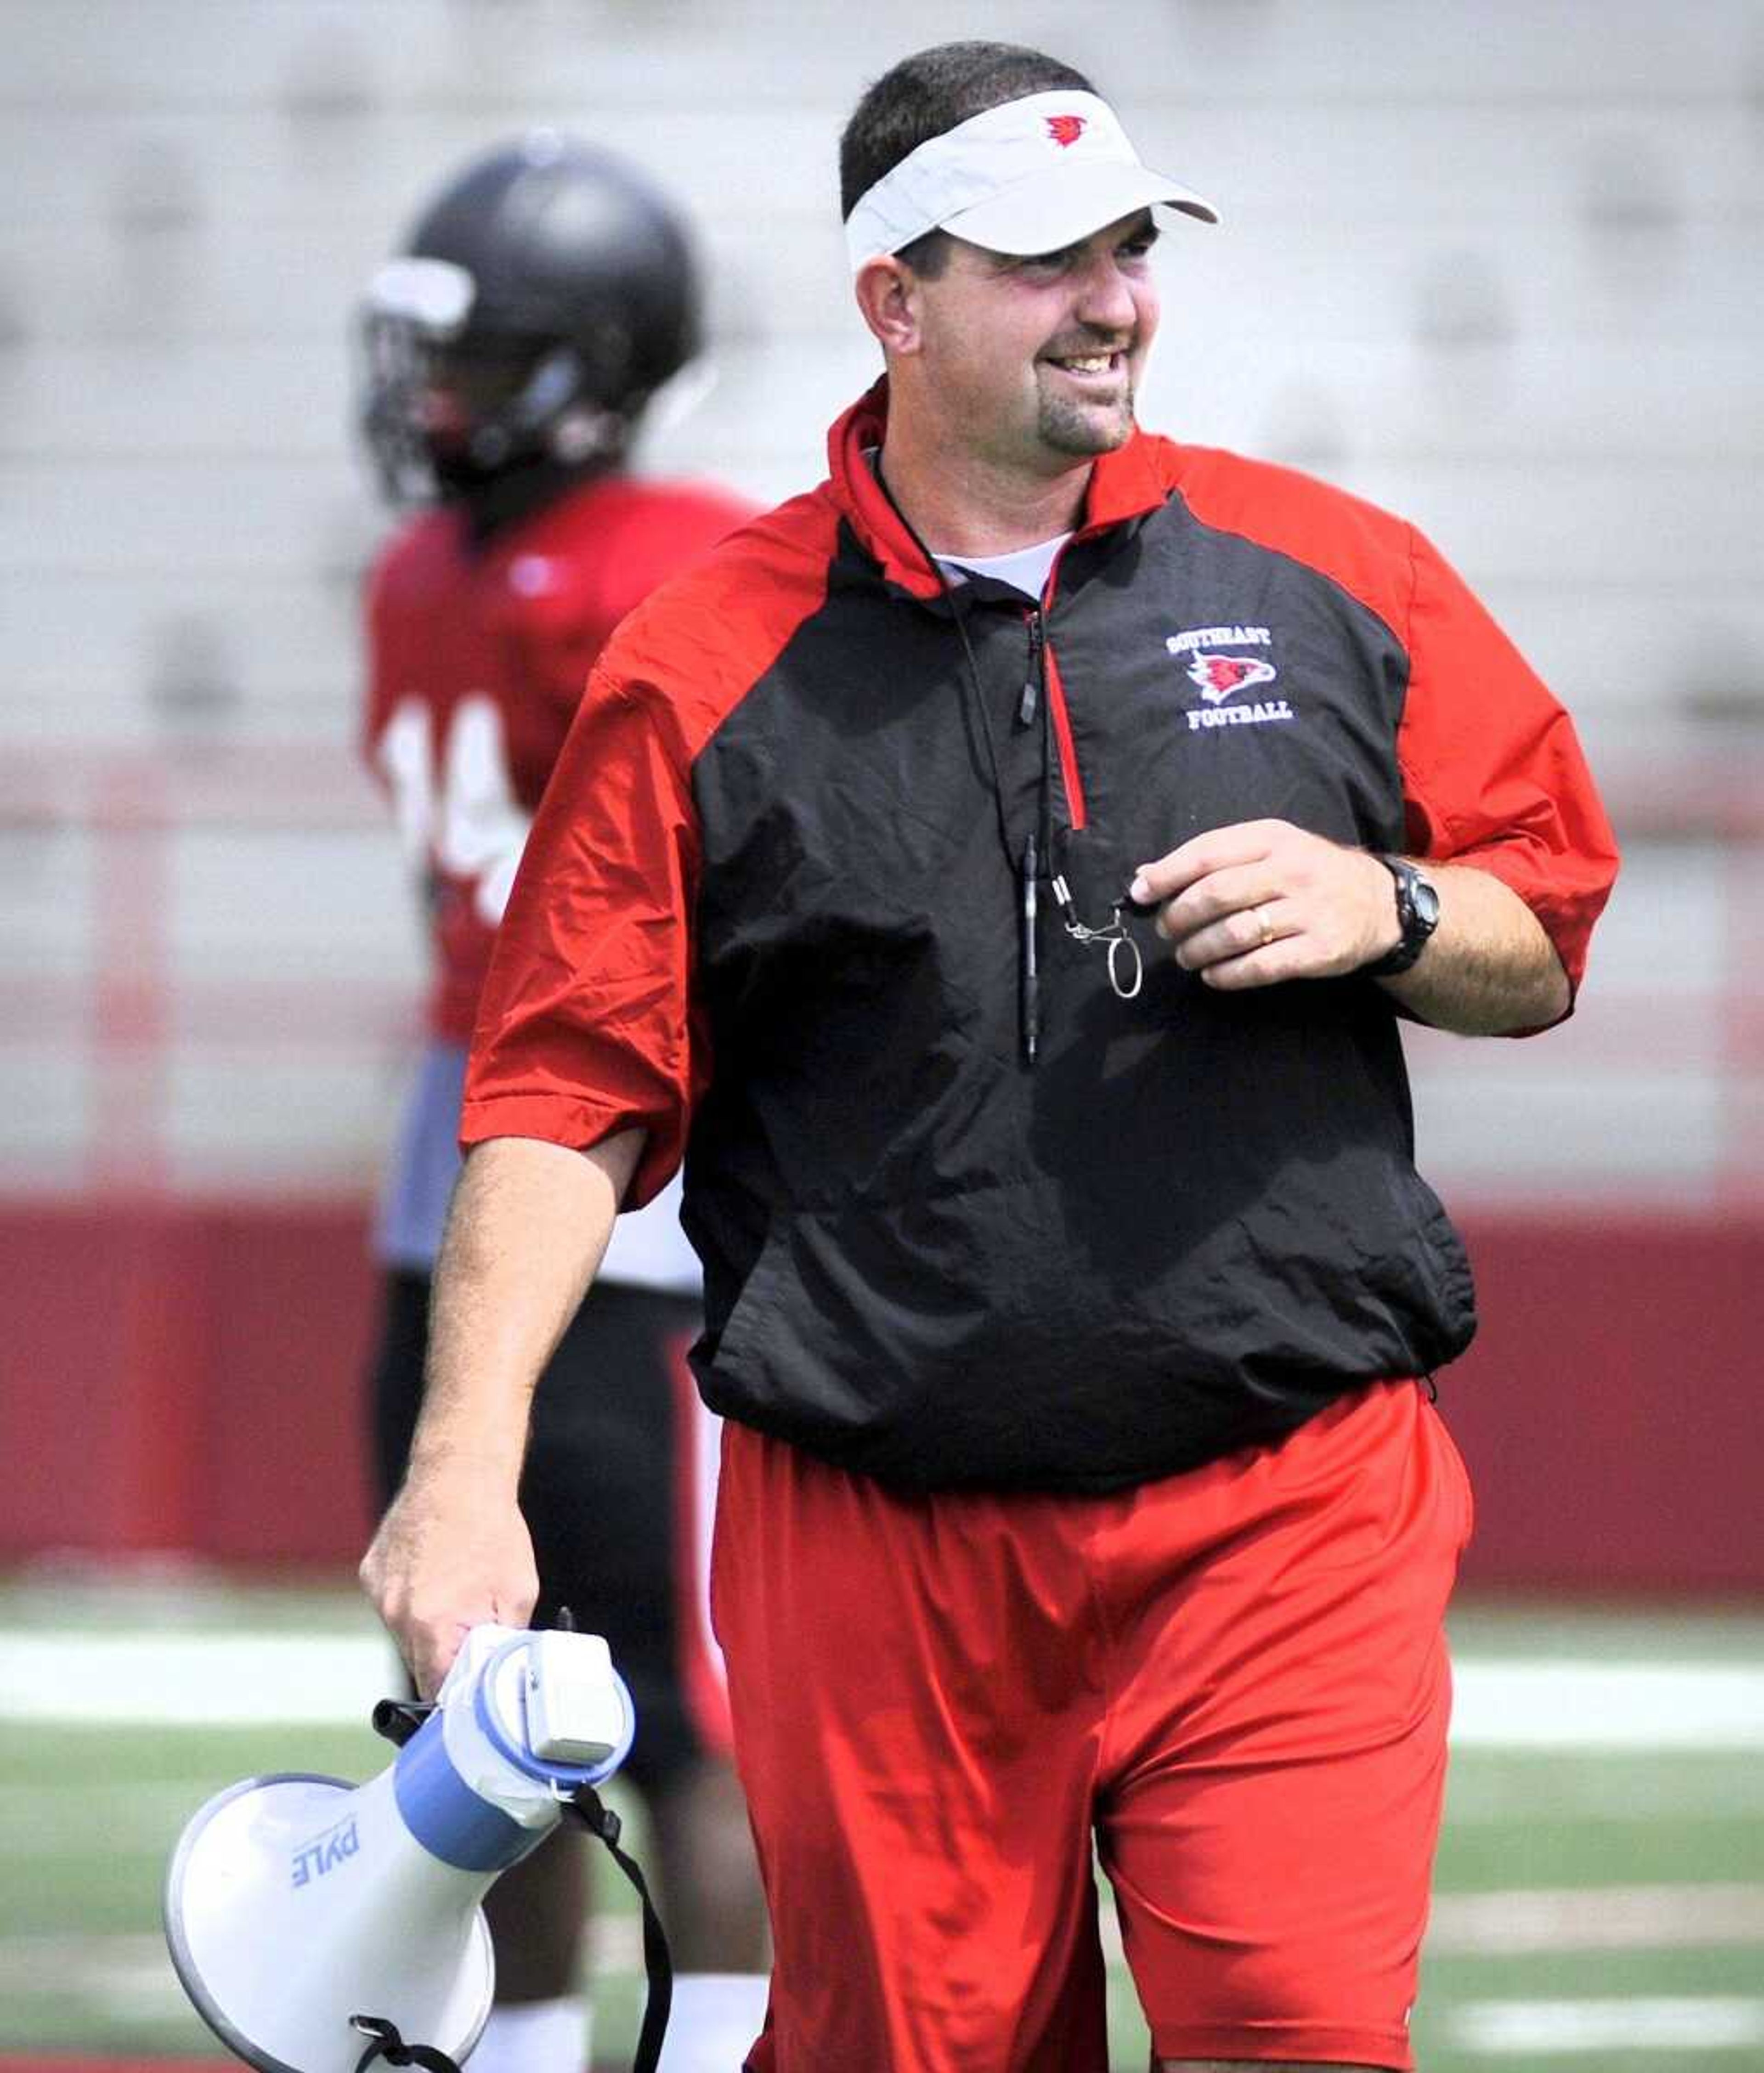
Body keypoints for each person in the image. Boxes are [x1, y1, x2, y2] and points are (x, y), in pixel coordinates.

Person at [362, 43, 1620, 2073]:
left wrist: (1383, 905)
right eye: (1047, 259)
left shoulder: (1336, 572)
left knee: (1301, 2029)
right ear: (896, 299)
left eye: (1130, 245)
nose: (1115, 298)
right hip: (883, 1535)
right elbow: (561, 1086)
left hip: (1284, 1501)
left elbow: (1542, 918)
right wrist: (462, 1470)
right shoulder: (700, 655)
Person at [355, 133, 768, 2073]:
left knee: (669, 1690)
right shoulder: (432, 570)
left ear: (597, 362)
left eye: (484, 358)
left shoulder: (671, 554)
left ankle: (725, 2042)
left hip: (633, 1139)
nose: (439, 403)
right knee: (476, 1674)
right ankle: (521, 2047)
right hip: (459, 1136)